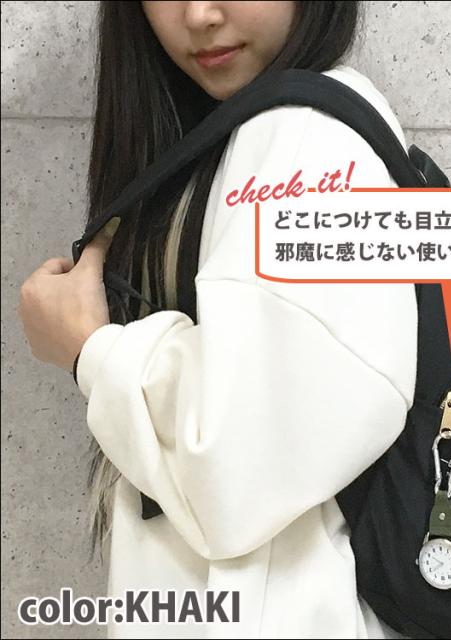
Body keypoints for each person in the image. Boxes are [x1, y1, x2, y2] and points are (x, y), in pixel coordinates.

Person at [18, 2, 417, 638]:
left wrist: (90, 347)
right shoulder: (261, 129)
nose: (199, 15)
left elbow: (236, 466)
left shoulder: (306, 137)